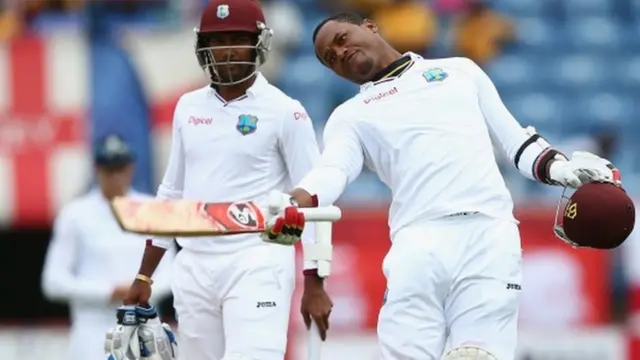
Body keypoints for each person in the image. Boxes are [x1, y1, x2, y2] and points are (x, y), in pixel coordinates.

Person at [267, 13, 619, 360]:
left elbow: (516, 144)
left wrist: (561, 168)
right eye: (330, 58)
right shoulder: (350, 115)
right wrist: (297, 200)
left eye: (341, 39)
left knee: (479, 355)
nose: (340, 53)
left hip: (489, 235)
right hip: (417, 244)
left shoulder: (460, 71)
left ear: (369, 27)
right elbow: (333, 171)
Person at [122, 0, 320, 359]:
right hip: (194, 262)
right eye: (216, 40)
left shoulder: (285, 111)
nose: (226, 50)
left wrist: (315, 281)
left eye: (236, 39)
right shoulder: (188, 107)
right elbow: (172, 192)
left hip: (258, 257)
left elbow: (316, 197)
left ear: (259, 43)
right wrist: (145, 276)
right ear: (202, 46)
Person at [41, 134, 176, 360]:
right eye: (108, 169)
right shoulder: (75, 214)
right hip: (93, 329)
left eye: (120, 168)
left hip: (144, 325)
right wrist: (108, 291)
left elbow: (172, 270)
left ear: (131, 167)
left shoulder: (152, 207)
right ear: (97, 169)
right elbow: (53, 281)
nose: (115, 176)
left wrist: (140, 288)